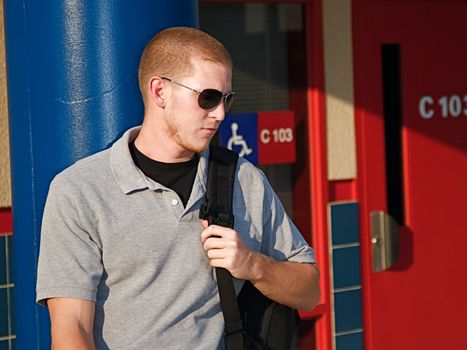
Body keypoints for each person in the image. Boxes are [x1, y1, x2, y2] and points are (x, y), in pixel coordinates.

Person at [36, 27, 320, 350]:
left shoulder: (244, 180)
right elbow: (71, 329)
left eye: (227, 99)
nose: (220, 114)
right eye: (208, 98)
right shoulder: (79, 192)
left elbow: (310, 290)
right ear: (159, 91)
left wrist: (252, 264)